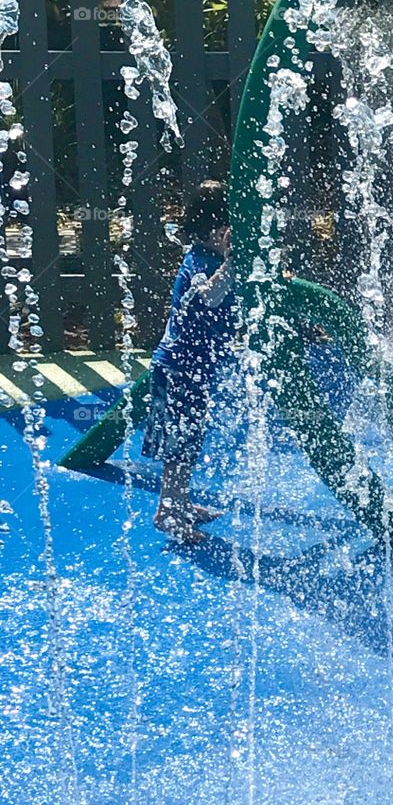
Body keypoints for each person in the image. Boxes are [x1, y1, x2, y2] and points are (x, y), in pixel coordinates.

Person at [142, 180, 237, 544]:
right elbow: (208, 297)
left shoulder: (213, 258)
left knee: (189, 440)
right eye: (225, 231)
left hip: (195, 369)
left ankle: (180, 503)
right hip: (179, 370)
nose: (229, 238)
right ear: (210, 230)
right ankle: (168, 512)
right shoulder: (200, 262)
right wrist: (230, 264)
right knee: (180, 445)